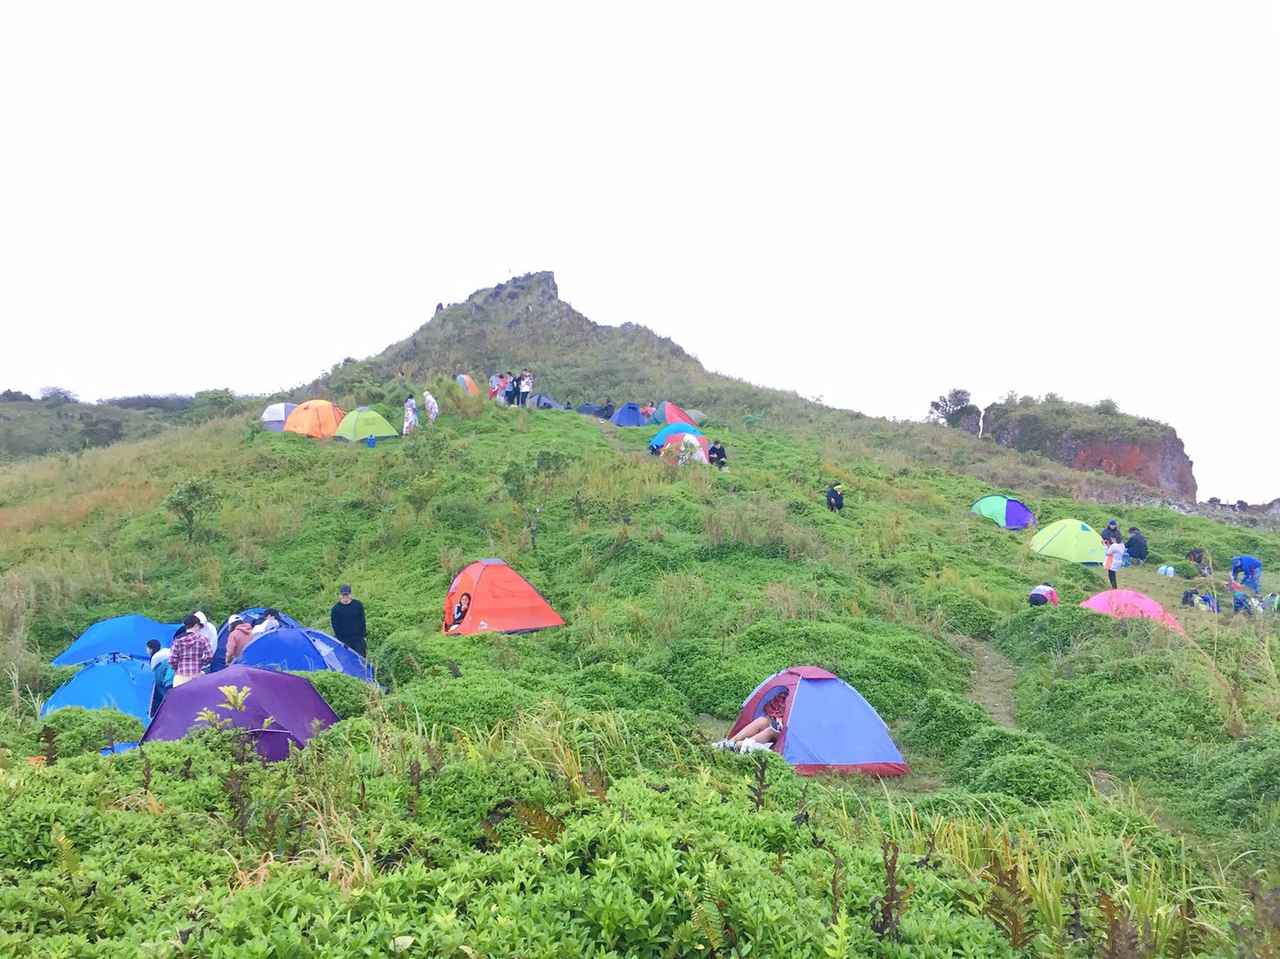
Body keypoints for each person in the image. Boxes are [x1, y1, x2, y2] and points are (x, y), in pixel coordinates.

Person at [713, 689, 787, 753]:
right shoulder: (792, 693)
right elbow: (776, 708)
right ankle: (730, 742)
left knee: (771, 731)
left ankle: (737, 746)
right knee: (762, 721)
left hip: (791, 736)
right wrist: (778, 717)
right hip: (782, 726)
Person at [170, 615, 212, 686]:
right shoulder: (203, 639)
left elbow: (172, 660)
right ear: (196, 625)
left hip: (180, 677)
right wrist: (200, 663)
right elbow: (209, 656)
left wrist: (178, 668)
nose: (199, 629)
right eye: (199, 627)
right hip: (196, 676)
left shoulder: (178, 640)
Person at [330, 584, 367, 656]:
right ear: (340, 595)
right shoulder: (335, 609)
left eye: (347, 594)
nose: (345, 597)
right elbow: (335, 626)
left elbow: (362, 621)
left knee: (361, 661)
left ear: (350, 594)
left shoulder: (358, 605)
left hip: (358, 640)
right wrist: (340, 641)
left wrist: (364, 636)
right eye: (343, 595)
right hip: (344, 641)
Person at [146, 639, 174, 715]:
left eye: (147, 649)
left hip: (168, 680)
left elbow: (157, 677)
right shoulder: (166, 650)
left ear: (150, 649)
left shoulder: (155, 658)